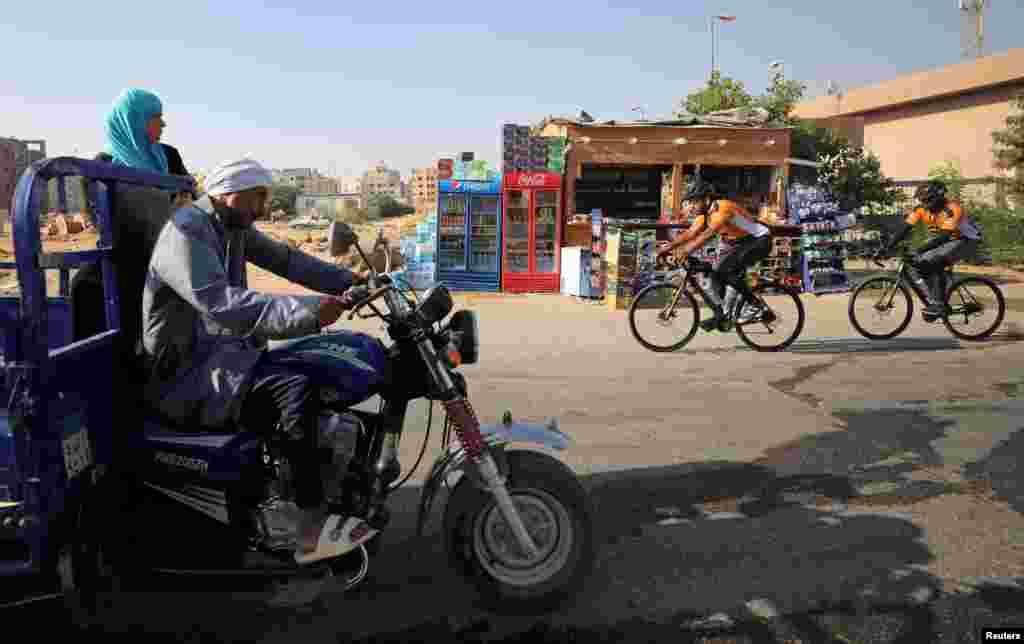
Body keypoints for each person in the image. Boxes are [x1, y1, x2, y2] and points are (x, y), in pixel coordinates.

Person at [142, 158, 372, 564]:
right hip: (187, 373)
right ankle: (308, 523)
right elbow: (221, 304)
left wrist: (351, 282)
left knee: (309, 368)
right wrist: (311, 313)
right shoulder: (187, 230)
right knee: (294, 390)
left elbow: (286, 260)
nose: (264, 208)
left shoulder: (230, 227)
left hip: (220, 357)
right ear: (230, 193)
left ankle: (326, 486)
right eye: (258, 198)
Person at [657, 180, 773, 331]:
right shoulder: (704, 214)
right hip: (737, 243)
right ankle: (724, 313)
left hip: (759, 240)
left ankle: (755, 306)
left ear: (706, 200)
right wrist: (669, 247)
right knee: (714, 273)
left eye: (694, 202)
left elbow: (708, 234)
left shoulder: (722, 208)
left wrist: (685, 251)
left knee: (725, 270)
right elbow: (690, 233)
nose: (691, 207)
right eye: (689, 203)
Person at [876, 179, 983, 320]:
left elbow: (944, 237)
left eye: (927, 200)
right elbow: (904, 229)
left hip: (965, 240)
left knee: (936, 261)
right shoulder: (921, 209)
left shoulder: (952, 209)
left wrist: (920, 250)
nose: (924, 204)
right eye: (922, 200)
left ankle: (938, 305)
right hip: (945, 240)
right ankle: (935, 300)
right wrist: (886, 248)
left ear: (937, 198)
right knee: (919, 264)